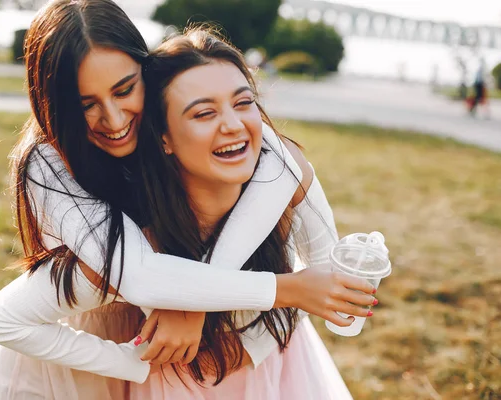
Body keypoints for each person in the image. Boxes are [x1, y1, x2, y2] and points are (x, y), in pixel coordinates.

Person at [0, 0, 377, 398]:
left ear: (146, 74)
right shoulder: (47, 167)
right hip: (81, 348)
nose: (115, 120)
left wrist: (193, 310)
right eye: (86, 105)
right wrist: (158, 340)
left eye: (124, 90)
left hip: (183, 341)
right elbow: (141, 277)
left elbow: (282, 167)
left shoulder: (214, 134)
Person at [130, 27, 360, 399]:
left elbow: (326, 279)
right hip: (170, 381)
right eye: (204, 113)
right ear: (164, 139)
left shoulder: (286, 176)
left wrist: (252, 345)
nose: (233, 125)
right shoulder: (139, 218)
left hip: (275, 368)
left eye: (243, 102)